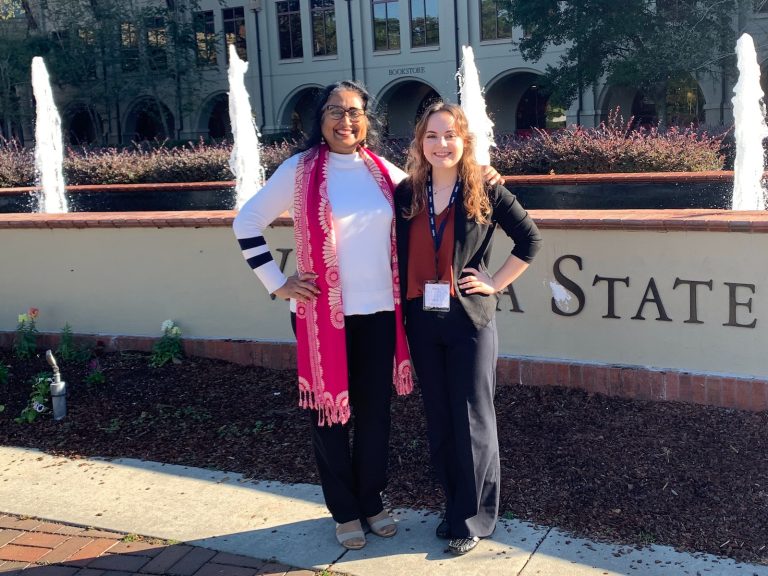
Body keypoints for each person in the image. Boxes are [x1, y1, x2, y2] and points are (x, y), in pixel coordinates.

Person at [232, 81, 415, 551]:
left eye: (354, 112)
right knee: (330, 416)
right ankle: (345, 511)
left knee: (375, 416)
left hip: (378, 314)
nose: (345, 121)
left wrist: (484, 175)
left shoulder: (381, 172)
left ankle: (372, 502)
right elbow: (246, 221)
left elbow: (433, 191)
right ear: (319, 119)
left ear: (367, 121)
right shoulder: (299, 170)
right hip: (320, 319)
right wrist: (278, 282)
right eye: (335, 111)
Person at [394, 102, 542, 556]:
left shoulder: (485, 188)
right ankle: (453, 506)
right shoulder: (407, 193)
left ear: (465, 141)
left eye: (451, 135)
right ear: (421, 141)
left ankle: (475, 518)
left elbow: (530, 240)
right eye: (433, 136)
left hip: (469, 320)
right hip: (421, 318)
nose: (442, 144)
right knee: (439, 415)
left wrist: (494, 282)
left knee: (474, 417)